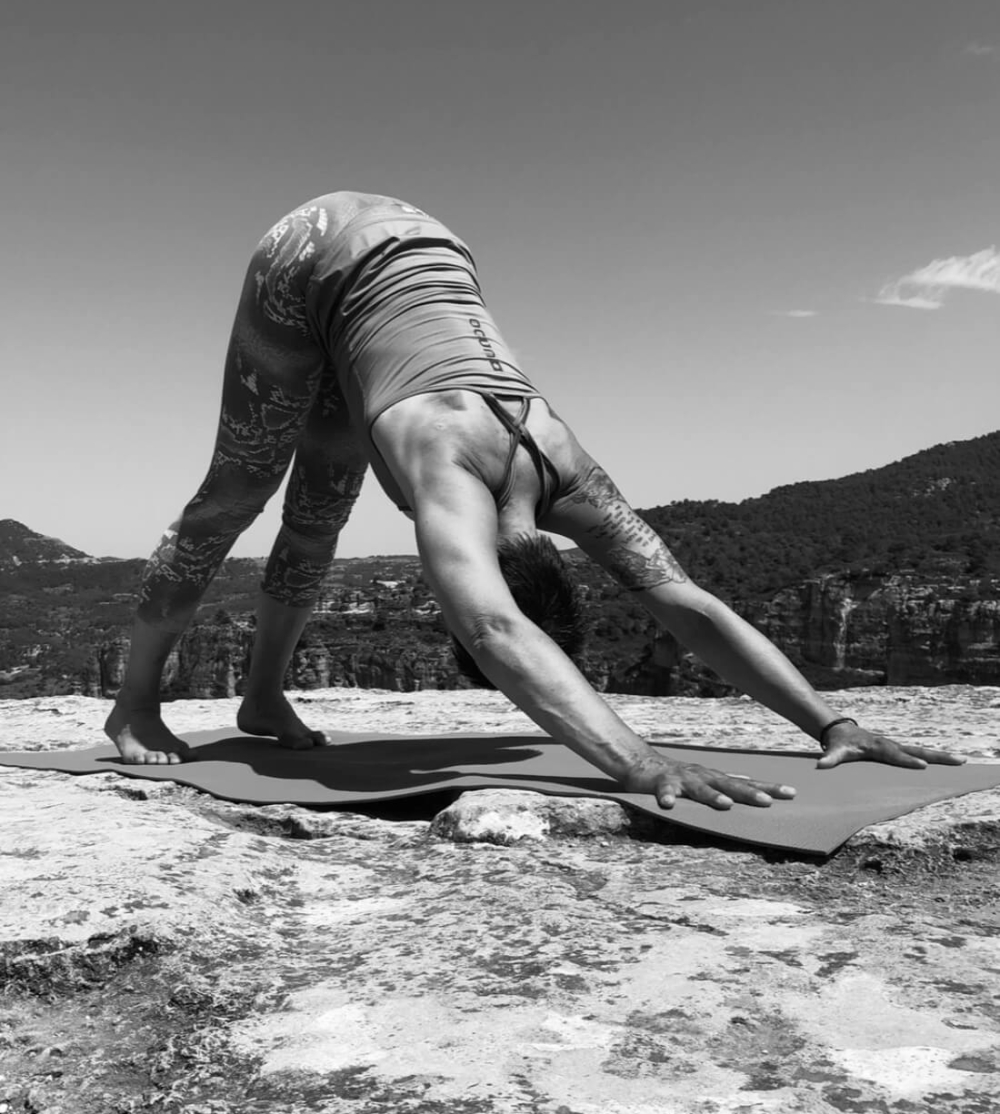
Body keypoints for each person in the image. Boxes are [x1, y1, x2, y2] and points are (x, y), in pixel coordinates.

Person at [105, 191, 964, 810]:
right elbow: (494, 629)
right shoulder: (448, 475)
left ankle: (261, 701)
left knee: (323, 506)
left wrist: (832, 723)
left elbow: (687, 606)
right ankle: (133, 705)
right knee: (237, 493)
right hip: (310, 256)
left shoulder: (571, 473)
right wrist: (640, 765)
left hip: (429, 243)